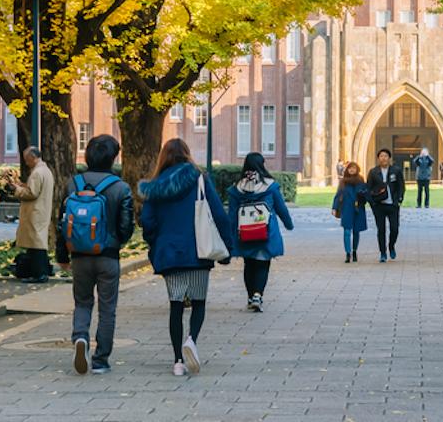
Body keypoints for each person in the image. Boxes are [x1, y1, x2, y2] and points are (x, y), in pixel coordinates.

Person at [140, 138, 234, 377]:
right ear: (187, 155)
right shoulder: (199, 179)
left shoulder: (155, 186)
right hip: (198, 251)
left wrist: (154, 243)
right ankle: (191, 340)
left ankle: (177, 361)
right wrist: (227, 247)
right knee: (199, 302)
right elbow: (219, 215)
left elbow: (147, 222)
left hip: (169, 253)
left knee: (175, 305)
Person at [55, 134, 133, 375]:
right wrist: (116, 242)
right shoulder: (120, 187)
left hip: (79, 256)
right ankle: (101, 360)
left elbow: (62, 222)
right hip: (108, 256)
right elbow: (126, 227)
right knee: (107, 308)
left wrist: (62, 255)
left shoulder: (73, 184)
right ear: (113, 157)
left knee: (83, 302)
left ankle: (80, 337)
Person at [227, 152, 294, 311]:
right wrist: (288, 223)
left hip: (244, 233)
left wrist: (229, 235)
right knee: (263, 263)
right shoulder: (269, 186)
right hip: (265, 232)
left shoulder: (237, 188)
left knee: (248, 264)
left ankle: (250, 296)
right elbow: (280, 208)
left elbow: (231, 215)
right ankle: (258, 294)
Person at [14, 147, 55, 282]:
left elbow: (32, 193)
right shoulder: (46, 171)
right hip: (42, 210)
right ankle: (39, 272)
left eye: (27, 160)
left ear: (32, 157)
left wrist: (18, 189)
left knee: (36, 244)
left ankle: (39, 274)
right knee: (37, 243)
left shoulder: (37, 172)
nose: (26, 163)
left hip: (35, 212)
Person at [365, 148, 405, 263]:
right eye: (381, 156)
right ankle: (383, 252)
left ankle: (391, 246)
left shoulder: (396, 171)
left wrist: (399, 199)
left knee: (394, 228)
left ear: (389, 158)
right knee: (381, 230)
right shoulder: (373, 172)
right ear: (378, 158)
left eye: (386, 156)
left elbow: (401, 186)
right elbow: (368, 188)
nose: (383, 158)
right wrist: (372, 203)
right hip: (379, 206)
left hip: (392, 205)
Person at [331, 162, 368, 263]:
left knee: (356, 231)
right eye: (350, 168)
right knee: (347, 231)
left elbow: (366, 194)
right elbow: (338, 195)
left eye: (354, 168)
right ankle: (348, 253)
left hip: (358, 209)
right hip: (347, 209)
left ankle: (355, 251)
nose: (352, 170)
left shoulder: (361, 181)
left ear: (357, 169)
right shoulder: (343, 182)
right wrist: (334, 208)